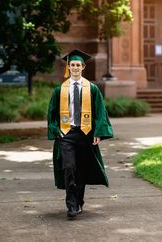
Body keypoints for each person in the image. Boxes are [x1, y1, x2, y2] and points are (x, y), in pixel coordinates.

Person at [47, 49, 113, 219]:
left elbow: (100, 112)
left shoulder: (92, 89)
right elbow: (52, 113)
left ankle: (79, 201)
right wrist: (56, 130)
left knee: (81, 170)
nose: (75, 67)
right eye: (72, 65)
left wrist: (98, 132)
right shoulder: (59, 90)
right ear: (68, 67)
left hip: (85, 134)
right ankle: (71, 205)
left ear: (83, 67)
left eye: (78, 65)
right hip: (67, 134)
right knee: (69, 167)